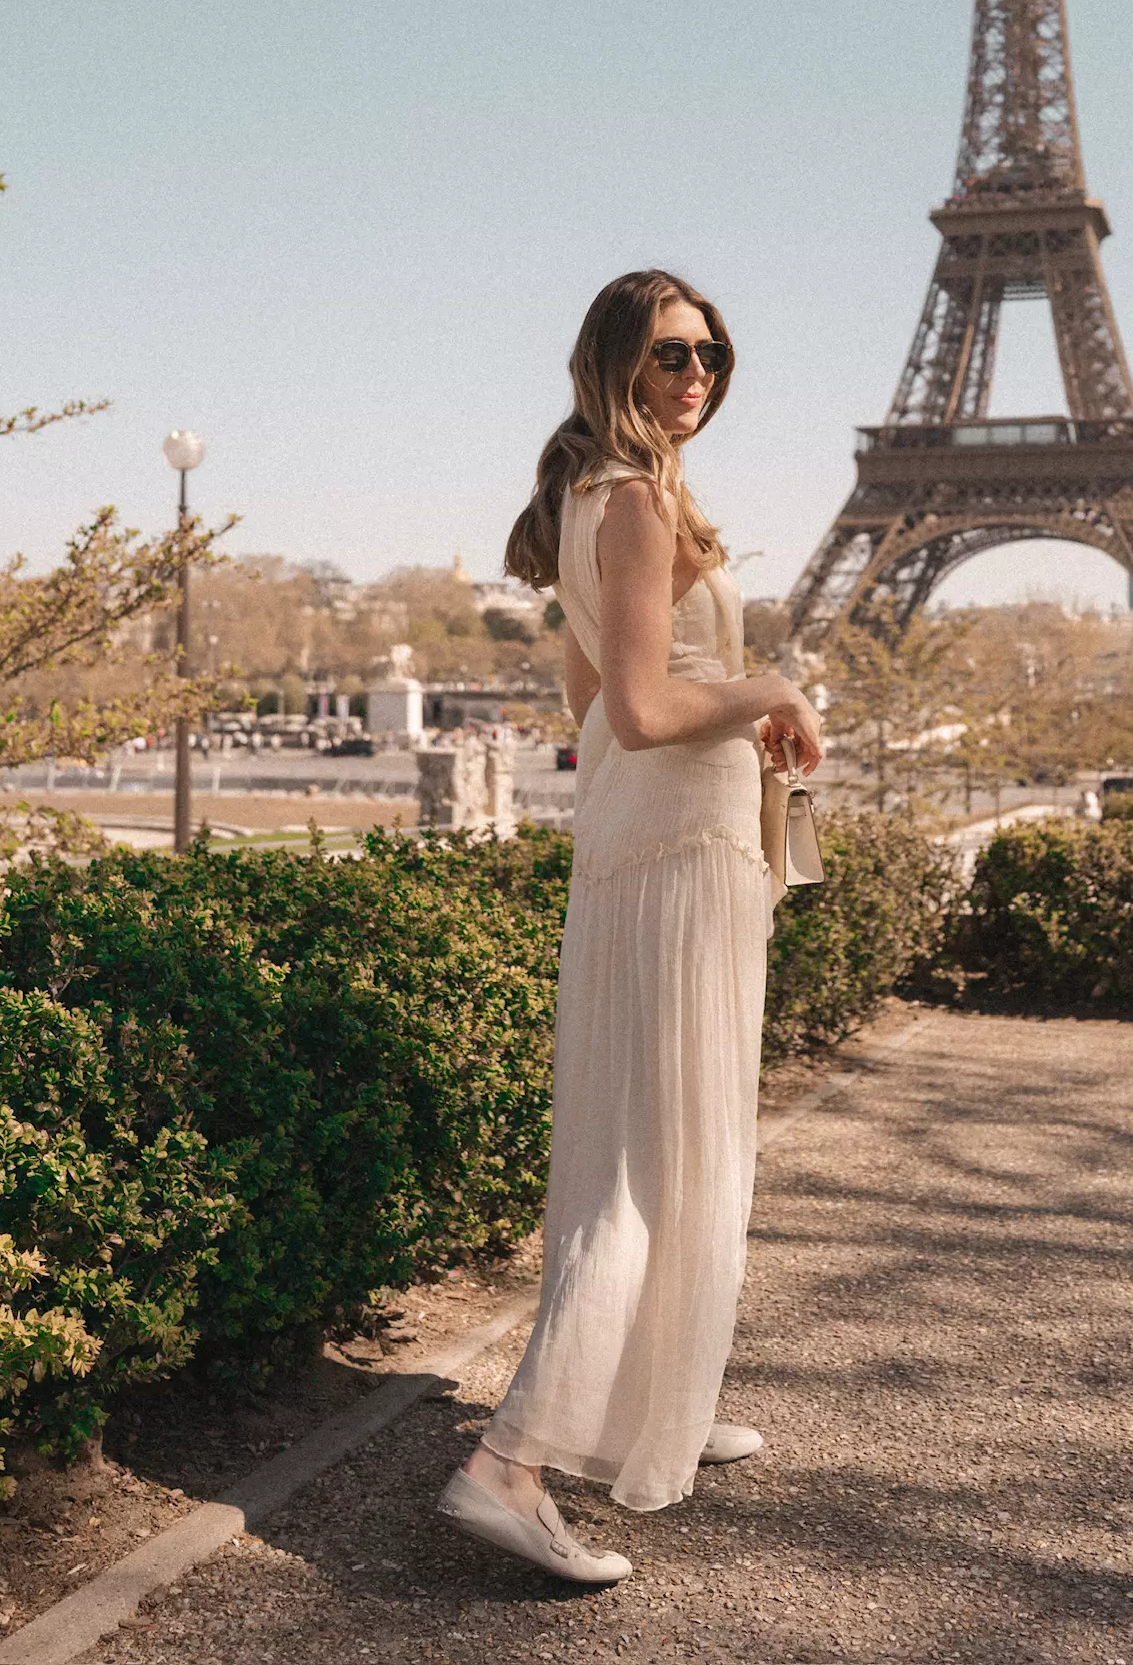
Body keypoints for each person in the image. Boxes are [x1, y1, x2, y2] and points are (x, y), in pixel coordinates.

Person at [437, 271, 823, 1585]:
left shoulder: (592, 495)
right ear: (617, 364)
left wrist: (719, 717)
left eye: (712, 351)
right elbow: (653, 709)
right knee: (657, 1161)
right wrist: (767, 687)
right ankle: (511, 1463)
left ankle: (662, 1395)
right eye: (671, 353)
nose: (697, 373)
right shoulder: (643, 501)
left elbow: (593, 693)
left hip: (644, 847)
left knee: (647, 1135)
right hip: (679, 856)